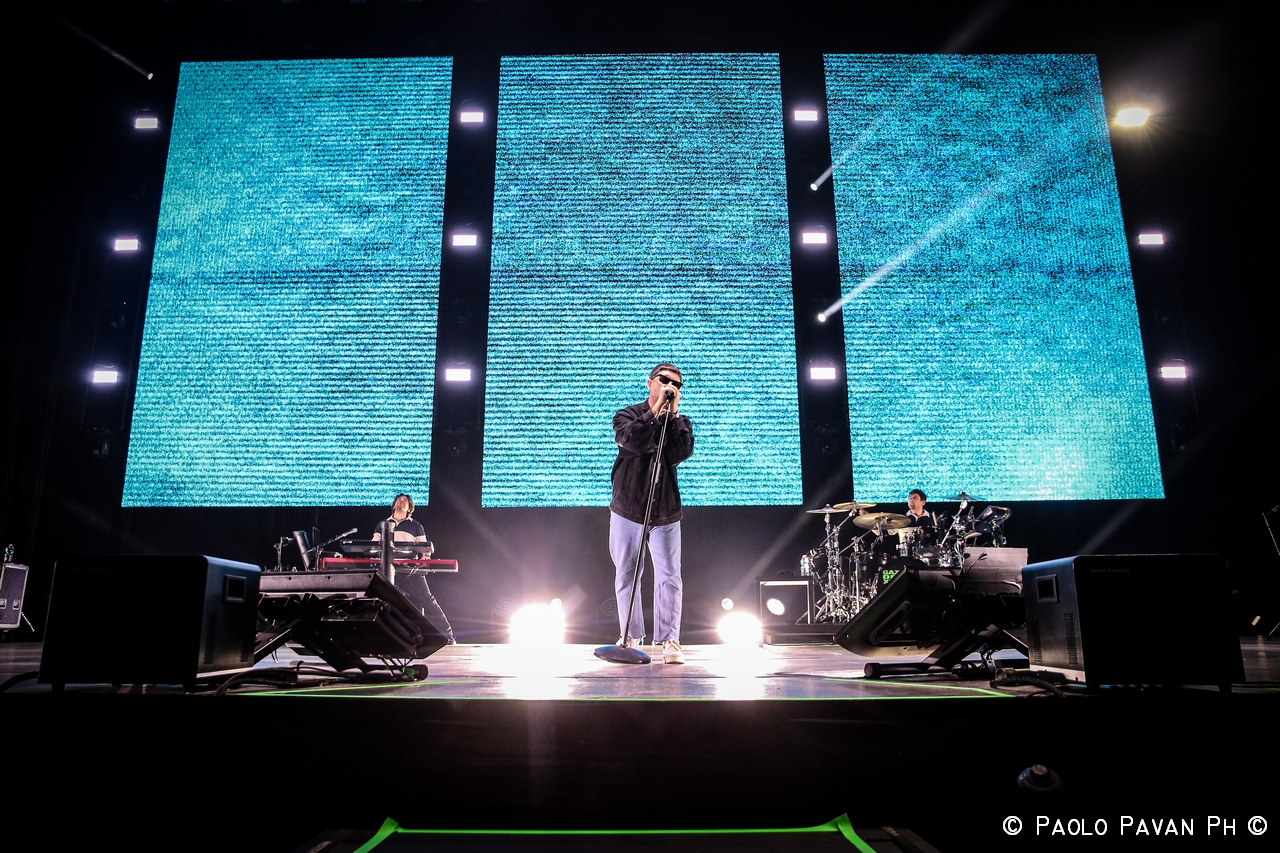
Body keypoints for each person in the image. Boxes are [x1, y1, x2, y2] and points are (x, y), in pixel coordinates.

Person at [609, 363, 695, 664]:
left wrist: (672, 415)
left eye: (677, 385)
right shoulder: (627, 415)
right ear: (650, 383)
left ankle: (670, 640)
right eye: (664, 380)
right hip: (627, 508)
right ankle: (631, 636)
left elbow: (681, 453)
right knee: (627, 574)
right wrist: (656, 409)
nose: (671, 387)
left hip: (665, 510)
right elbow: (630, 441)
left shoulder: (680, 422)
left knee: (670, 576)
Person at [372, 493, 455, 643]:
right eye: (399, 499)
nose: (401, 501)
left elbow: (424, 548)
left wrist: (424, 558)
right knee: (376, 601)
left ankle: (448, 636)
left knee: (428, 601)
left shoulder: (415, 525)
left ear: (410, 508)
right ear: (394, 505)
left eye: (405, 500)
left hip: (409, 570)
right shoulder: (382, 524)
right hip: (385, 570)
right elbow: (373, 546)